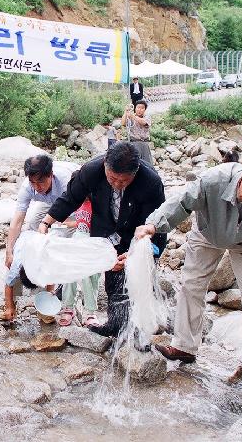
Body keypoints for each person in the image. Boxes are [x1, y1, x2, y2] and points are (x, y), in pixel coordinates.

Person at [136, 161, 242, 381]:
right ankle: (184, 347)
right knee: (191, 286)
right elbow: (182, 203)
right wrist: (154, 225)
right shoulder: (213, 180)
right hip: (208, 234)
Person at [40, 142, 167, 337]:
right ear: (105, 165)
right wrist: (46, 222)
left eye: (123, 181)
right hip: (105, 229)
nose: (116, 184)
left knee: (134, 282)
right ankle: (116, 325)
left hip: (137, 234)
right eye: (112, 178)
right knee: (113, 280)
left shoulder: (150, 182)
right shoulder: (92, 170)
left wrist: (135, 254)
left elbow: (158, 224)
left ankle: (137, 331)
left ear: (136, 171)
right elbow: (71, 198)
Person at [5, 155, 74, 276]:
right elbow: (17, 220)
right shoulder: (27, 187)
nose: (37, 187)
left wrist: (55, 226)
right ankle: (33, 270)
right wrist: (9, 251)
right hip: (50, 201)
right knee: (33, 227)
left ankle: (63, 277)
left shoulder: (66, 180)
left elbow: (72, 212)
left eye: (41, 182)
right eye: (33, 182)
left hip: (73, 201)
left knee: (62, 234)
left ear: (51, 175)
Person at [59, 199, 100, 327]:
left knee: (90, 276)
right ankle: (68, 308)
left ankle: (90, 312)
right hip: (78, 239)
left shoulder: (99, 201)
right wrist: (66, 224)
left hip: (93, 241)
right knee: (70, 273)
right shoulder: (78, 201)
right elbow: (81, 223)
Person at [121, 100, 152, 165]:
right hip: (133, 143)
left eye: (142, 108)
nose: (139, 110)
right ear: (135, 108)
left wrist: (133, 116)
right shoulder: (131, 116)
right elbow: (123, 123)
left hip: (143, 144)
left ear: (145, 109)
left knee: (146, 164)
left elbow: (143, 122)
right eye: (138, 107)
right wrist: (126, 112)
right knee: (133, 165)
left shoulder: (147, 117)